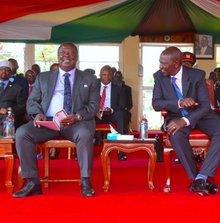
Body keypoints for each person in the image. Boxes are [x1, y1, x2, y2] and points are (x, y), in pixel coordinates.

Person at [13, 42, 100, 198]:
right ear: (58, 56)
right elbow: (32, 101)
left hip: (76, 122)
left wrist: (78, 116)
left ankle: (85, 181)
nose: (66, 55)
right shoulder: (43, 78)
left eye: (70, 52)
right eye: (63, 52)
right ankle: (33, 182)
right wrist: (37, 114)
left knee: (85, 134)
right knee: (22, 133)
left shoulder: (90, 79)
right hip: (48, 122)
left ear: (77, 57)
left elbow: (93, 106)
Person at [152, 47, 220, 196]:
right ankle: (197, 179)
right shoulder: (159, 77)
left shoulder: (196, 75)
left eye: (163, 63)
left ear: (176, 63)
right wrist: (179, 102)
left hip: (199, 114)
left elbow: (205, 105)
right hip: (175, 115)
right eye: (160, 62)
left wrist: (185, 120)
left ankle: (203, 175)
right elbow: (156, 104)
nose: (160, 66)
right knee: (176, 135)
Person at [95, 66, 132, 160]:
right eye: (104, 75)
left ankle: (121, 150)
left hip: (112, 114)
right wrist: (96, 110)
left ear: (111, 76)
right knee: (84, 115)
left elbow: (122, 105)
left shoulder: (119, 89)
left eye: (108, 75)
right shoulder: (93, 88)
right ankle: (83, 151)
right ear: (100, 75)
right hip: (96, 115)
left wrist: (111, 110)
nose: (106, 77)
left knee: (122, 115)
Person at [0, 59, 26, 132]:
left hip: (8, 120)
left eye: (7, 69)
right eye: (1, 69)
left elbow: (21, 107)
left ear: (11, 73)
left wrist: (8, 110)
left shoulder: (17, 88)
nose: (4, 71)